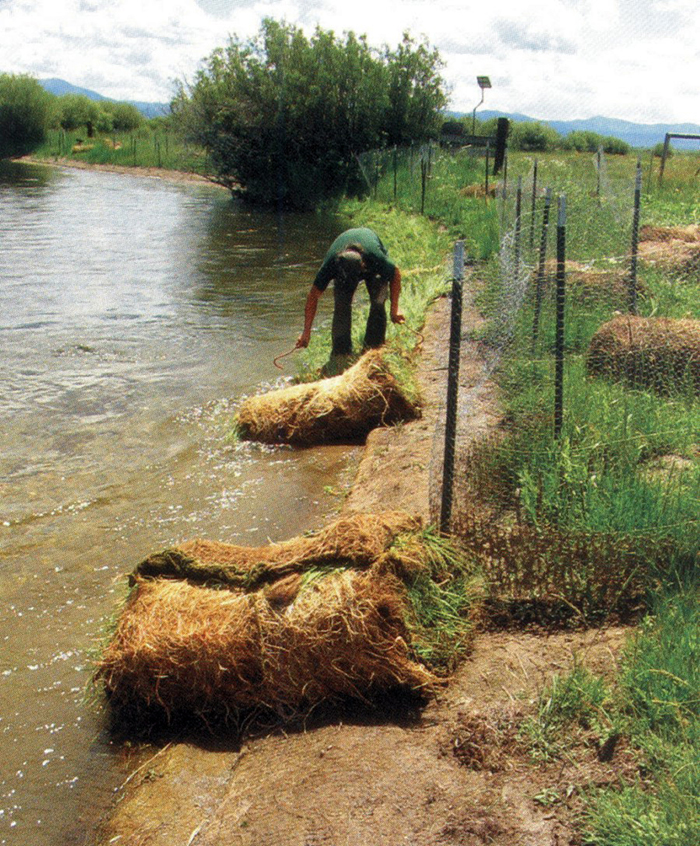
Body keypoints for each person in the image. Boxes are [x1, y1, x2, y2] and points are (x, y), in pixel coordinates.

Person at [296, 228, 405, 357]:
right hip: (344, 269)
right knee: (342, 305)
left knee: (378, 301)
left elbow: (395, 274)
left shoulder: (375, 257)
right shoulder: (331, 264)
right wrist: (306, 332)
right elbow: (313, 295)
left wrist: (394, 310)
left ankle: (373, 349)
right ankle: (341, 353)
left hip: (372, 268)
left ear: (363, 265)